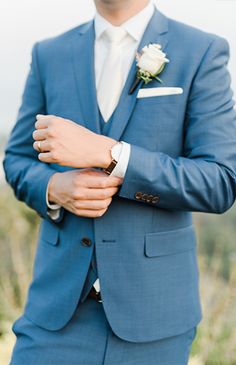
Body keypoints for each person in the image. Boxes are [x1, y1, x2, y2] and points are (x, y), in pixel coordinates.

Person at [3, 0, 236, 364]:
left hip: (153, 316)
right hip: (55, 314)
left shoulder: (201, 50)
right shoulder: (50, 53)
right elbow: (17, 160)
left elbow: (219, 181)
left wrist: (112, 155)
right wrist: (53, 189)